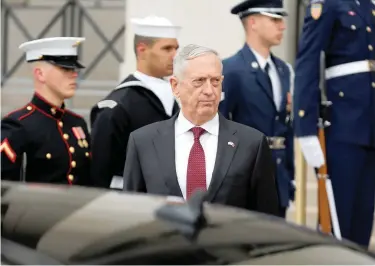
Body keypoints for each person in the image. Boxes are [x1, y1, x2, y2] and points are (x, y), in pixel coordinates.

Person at [123, 44, 281, 217]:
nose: (209, 91)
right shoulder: (143, 142)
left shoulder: (251, 144)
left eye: (215, 82)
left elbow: (265, 220)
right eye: (199, 81)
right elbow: (132, 214)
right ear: (175, 86)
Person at [293, 0, 375, 247]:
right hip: (342, 124)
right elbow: (307, 61)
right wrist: (305, 127)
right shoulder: (327, 5)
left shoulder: (368, 7)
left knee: (363, 219)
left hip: (369, 125)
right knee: (338, 219)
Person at [219, 0, 295, 218]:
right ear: (252, 22)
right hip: (245, 174)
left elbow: (286, 126)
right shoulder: (231, 69)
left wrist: (290, 175)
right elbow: (221, 125)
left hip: (278, 175)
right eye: (274, 19)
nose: (282, 26)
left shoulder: (283, 70)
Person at [89, 15, 180, 190]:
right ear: (142, 50)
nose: (175, 56)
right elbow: (100, 175)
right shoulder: (117, 107)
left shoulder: (171, 98)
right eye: (167, 49)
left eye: (176, 48)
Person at [1, 37, 91, 185]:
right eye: (65, 68)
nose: (74, 74)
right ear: (40, 74)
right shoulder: (18, 126)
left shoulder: (77, 122)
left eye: (74, 68)